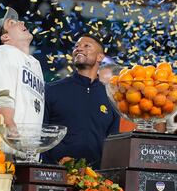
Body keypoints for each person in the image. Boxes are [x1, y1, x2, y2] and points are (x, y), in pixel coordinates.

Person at [42, 34, 120, 169]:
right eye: (76, 46)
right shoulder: (51, 90)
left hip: (95, 180)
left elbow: (112, 142)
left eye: (86, 46)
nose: (79, 49)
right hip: (56, 174)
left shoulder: (111, 96)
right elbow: (42, 134)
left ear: (100, 57)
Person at [0, 7, 44, 146]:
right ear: (5, 37)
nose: (21, 22)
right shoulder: (1, 51)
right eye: (11, 23)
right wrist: (10, 128)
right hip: (7, 145)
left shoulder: (35, 63)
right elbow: (2, 95)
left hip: (27, 149)